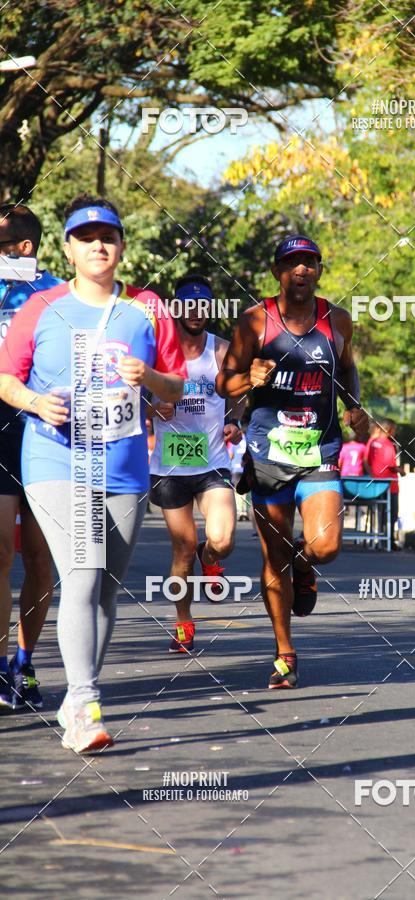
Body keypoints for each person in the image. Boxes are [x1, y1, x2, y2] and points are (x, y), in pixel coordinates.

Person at [0, 194, 185, 752]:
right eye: (86, 237)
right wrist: (34, 403)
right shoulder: (41, 306)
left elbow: (175, 393)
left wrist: (148, 375)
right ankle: (83, 703)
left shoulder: (144, 314)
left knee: (105, 589)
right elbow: (5, 377)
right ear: (68, 248)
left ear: (122, 246)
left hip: (124, 464)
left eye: (108, 235)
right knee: (81, 574)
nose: (98, 244)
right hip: (56, 459)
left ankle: (76, 699)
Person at [217, 233, 368, 689]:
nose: (301, 270)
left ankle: (305, 568)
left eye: (310, 263)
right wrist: (249, 376)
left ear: (319, 270)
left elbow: (346, 369)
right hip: (267, 455)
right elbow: (224, 383)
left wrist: (354, 406)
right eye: (292, 263)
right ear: (277, 272)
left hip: (318, 449)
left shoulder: (336, 320)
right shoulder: (254, 322)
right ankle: (285, 653)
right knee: (273, 554)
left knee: (326, 546)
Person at [148, 275, 243, 653]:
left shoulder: (221, 350)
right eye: (189, 304)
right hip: (170, 466)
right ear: (177, 309)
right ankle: (184, 623)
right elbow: (136, 395)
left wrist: (234, 421)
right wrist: (153, 408)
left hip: (212, 461)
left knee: (223, 539)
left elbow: (239, 393)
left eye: (203, 305)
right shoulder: (158, 352)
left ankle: (211, 556)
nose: (196, 312)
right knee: (182, 549)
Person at [0, 204, 62, 713]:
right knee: (0, 554)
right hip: (0, 433)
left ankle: (24, 659)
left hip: (46, 434)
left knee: (41, 559)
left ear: (25, 249)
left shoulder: (59, 295)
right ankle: (0, 666)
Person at [365, 419, 400, 537]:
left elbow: (366, 461)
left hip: (377, 484)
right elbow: (391, 466)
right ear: (390, 430)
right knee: (392, 514)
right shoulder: (388, 444)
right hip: (390, 485)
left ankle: (379, 537)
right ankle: (388, 539)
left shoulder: (372, 442)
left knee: (380, 512)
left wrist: (372, 475)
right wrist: (401, 470)